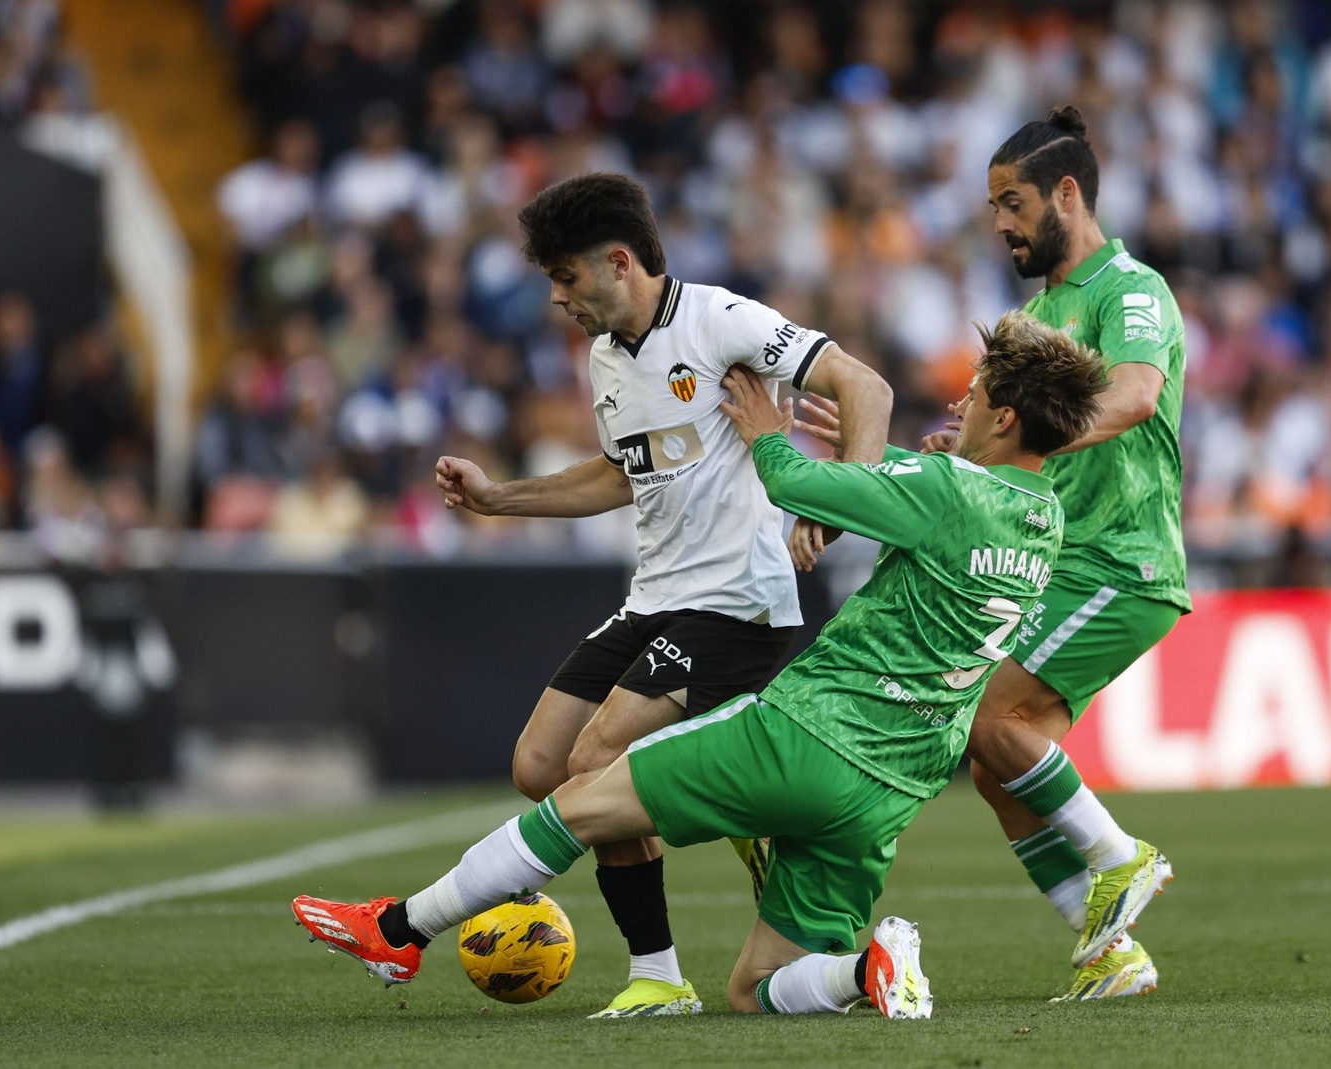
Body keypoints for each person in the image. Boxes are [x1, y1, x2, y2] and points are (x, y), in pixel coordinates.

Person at [292, 310, 1109, 1019]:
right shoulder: (1045, 516)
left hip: (813, 735)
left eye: (972, 396)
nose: (959, 404)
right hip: (895, 785)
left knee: (578, 797)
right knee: (759, 988)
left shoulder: (944, 488)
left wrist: (767, 434)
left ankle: (397, 932)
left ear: (1004, 419)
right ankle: (869, 967)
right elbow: (936, 502)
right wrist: (912, 461)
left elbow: (800, 485)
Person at [431, 171, 892, 1017]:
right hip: (656, 596)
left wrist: (839, 502)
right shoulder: (604, 356)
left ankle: (657, 976)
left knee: (594, 765)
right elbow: (618, 474)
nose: (560, 297)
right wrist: (501, 499)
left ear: (617, 261)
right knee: (540, 768)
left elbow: (867, 387)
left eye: (566, 277)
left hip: (740, 598)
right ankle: (745, 810)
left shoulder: (722, 320)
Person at [796, 106, 1189, 1003]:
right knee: (993, 758)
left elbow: (1130, 397)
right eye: (992, 207)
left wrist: (1036, 440)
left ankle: (1118, 857)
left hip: (1120, 557)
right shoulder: (1039, 313)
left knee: (980, 714)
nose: (1001, 223)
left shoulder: (1128, 289)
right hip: (1063, 558)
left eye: (1011, 203)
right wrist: (886, 457)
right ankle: (1110, 953)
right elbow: (985, 457)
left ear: (1067, 191)